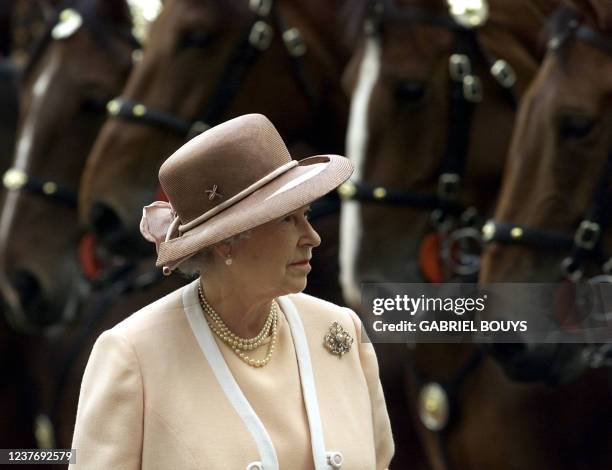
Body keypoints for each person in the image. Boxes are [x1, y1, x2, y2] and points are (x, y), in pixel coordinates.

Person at [70, 114, 395, 469]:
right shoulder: (132, 355)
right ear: (226, 242)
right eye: (288, 219)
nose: (312, 237)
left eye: (307, 214)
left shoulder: (341, 330)